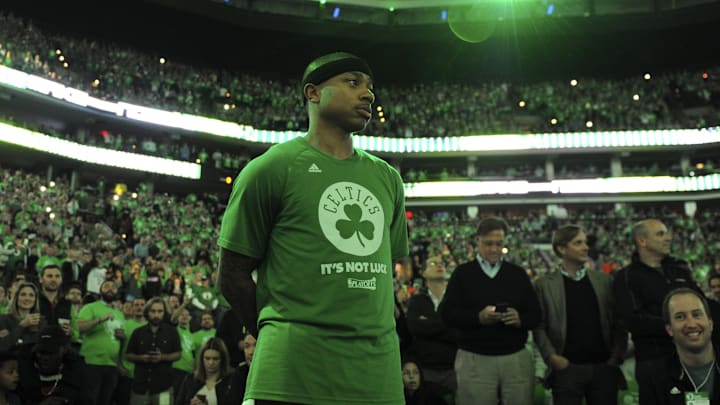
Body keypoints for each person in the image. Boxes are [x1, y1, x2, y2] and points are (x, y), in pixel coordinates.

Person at [218, 51, 409, 404]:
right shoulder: (271, 169)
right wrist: (273, 329)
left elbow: (386, 272)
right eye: (353, 83)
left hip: (377, 376)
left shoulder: (388, 179)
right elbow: (231, 275)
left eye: (370, 87)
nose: (368, 94)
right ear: (313, 93)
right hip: (291, 373)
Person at [440, 216, 542, 405]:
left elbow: (536, 315)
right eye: (488, 244)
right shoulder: (463, 274)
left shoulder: (517, 274)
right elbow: (446, 314)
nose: (494, 249)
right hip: (475, 358)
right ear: (477, 240)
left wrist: (519, 319)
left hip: (514, 357)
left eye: (499, 244)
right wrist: (478, 317)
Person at [613, 219, 714, 400]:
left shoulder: (680, 270)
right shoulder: (627, 277)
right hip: (654, 362)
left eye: (667, 233)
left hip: (692, 361)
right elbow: (632, 320)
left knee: (698, 403)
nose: (668, 238)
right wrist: (676, 326)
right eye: (660, 234)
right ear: (642, 241)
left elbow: (703, 305)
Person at [533, 225, 627, 405]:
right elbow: (539, 326)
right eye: (578, 243)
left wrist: (615, 357)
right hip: (566, 369)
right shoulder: (544, 285)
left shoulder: (604, 281)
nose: (586, 247)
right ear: (562, 249)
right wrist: (552, 358)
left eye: (585, 242)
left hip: (603, 368)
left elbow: (618, 322)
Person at [641, 288, 720, 404]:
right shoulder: (654, 379)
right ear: (669, 329)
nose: (691, 324)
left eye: (697, 314)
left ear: (710, 323)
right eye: (680, 317)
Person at [405, 254, 458, 397]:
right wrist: (448, 325)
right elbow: (415, 328)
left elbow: (461, 332)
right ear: (424, 273)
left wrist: (429, 324)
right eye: (433, 264)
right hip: (426, 370)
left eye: (442, 264)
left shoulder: (457, 299)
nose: (440, 266)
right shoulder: (417, 301)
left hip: (455, 370)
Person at [77, 279, 126, 405]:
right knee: (89, 400)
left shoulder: (119, 314)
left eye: (113, 287)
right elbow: (79, 327)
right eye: (106, 286)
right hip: (92, 363)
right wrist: (99, 320)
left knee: (105, 401)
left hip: (111, 365)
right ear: (100, 291)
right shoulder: (90, 307)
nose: (110, 289)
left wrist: (122, 338)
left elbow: (119, 341)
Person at [125, 296, 181, 405]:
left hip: (163, 386)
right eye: (153, 311)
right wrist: (141, 358)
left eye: (160, 311)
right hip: (140, 386)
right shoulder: (138, 332)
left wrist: (162, 357)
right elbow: (128, 355)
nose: (156, 315)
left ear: (164, 313)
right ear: (147, 312)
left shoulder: (172, 332)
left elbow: (178, 354)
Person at [16, 325, 89, 405]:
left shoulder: (75, 366)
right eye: (41, 352)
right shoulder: (25, 363)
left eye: (51, 353)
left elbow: (84, 399)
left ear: (64, 350)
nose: (45, 358)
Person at [174, 337, 243, 405]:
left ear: (223, 360)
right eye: (207, 358)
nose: (211, 363)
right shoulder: (191, 379)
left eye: (215, 359)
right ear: (201, 359)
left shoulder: (232, 380)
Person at [0, 281, 46, 353]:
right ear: (16, 297)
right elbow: (2, 346)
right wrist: (22, 325)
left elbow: (42, 346)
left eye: (31, 295)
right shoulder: (3, 319)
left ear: (35, 300)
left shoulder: (41, 320)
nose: (27, 298)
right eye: (23, 294)